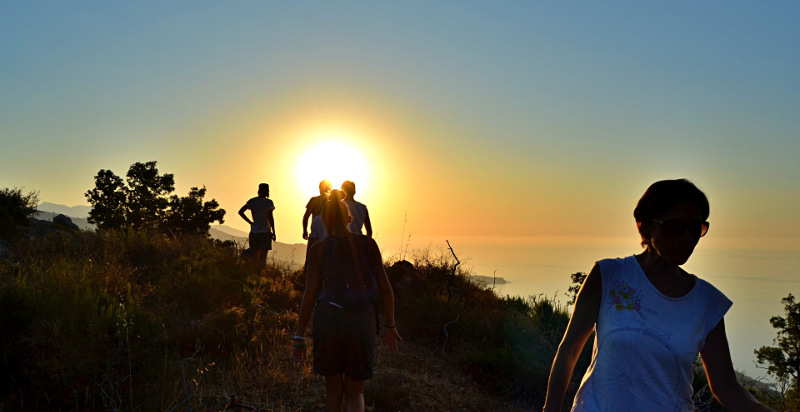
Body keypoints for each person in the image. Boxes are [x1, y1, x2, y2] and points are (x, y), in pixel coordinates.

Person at [542, 179, 775, 412]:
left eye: (695, 228)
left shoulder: (706, 302)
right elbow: (569, 350)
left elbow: (726, 388)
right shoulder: (609, 275)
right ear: (644, 226)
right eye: (674, 227)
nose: (687, 237)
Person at [292, 193, 402, 412]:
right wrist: (390, 325)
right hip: (361, 320)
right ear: (349, 219)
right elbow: (386, 290)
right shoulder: (369, 245)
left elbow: (310, 295)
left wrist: (299, 335)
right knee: (355, 391)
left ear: (324, 221)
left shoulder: (318, 250)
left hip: (328, 319)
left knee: (333, 390)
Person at [238, 183, 276, 270]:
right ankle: (260, 275)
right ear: (267, 191)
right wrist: (273, 231)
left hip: (254, 232)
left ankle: (253, 274)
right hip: (265, 232)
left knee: (254, 256)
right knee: (263, 257)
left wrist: (250, 222)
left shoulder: (252, 201)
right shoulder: (269, 203)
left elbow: (240, 212)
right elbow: (270, 218)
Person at [302, 180, 332, 255]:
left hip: (320, 233)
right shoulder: (331, 201)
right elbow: (306, 216)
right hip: (324, 233)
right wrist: (304, 230)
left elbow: (306, 216)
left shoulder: (315, 200)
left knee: (312, 256)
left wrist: (305, 230)